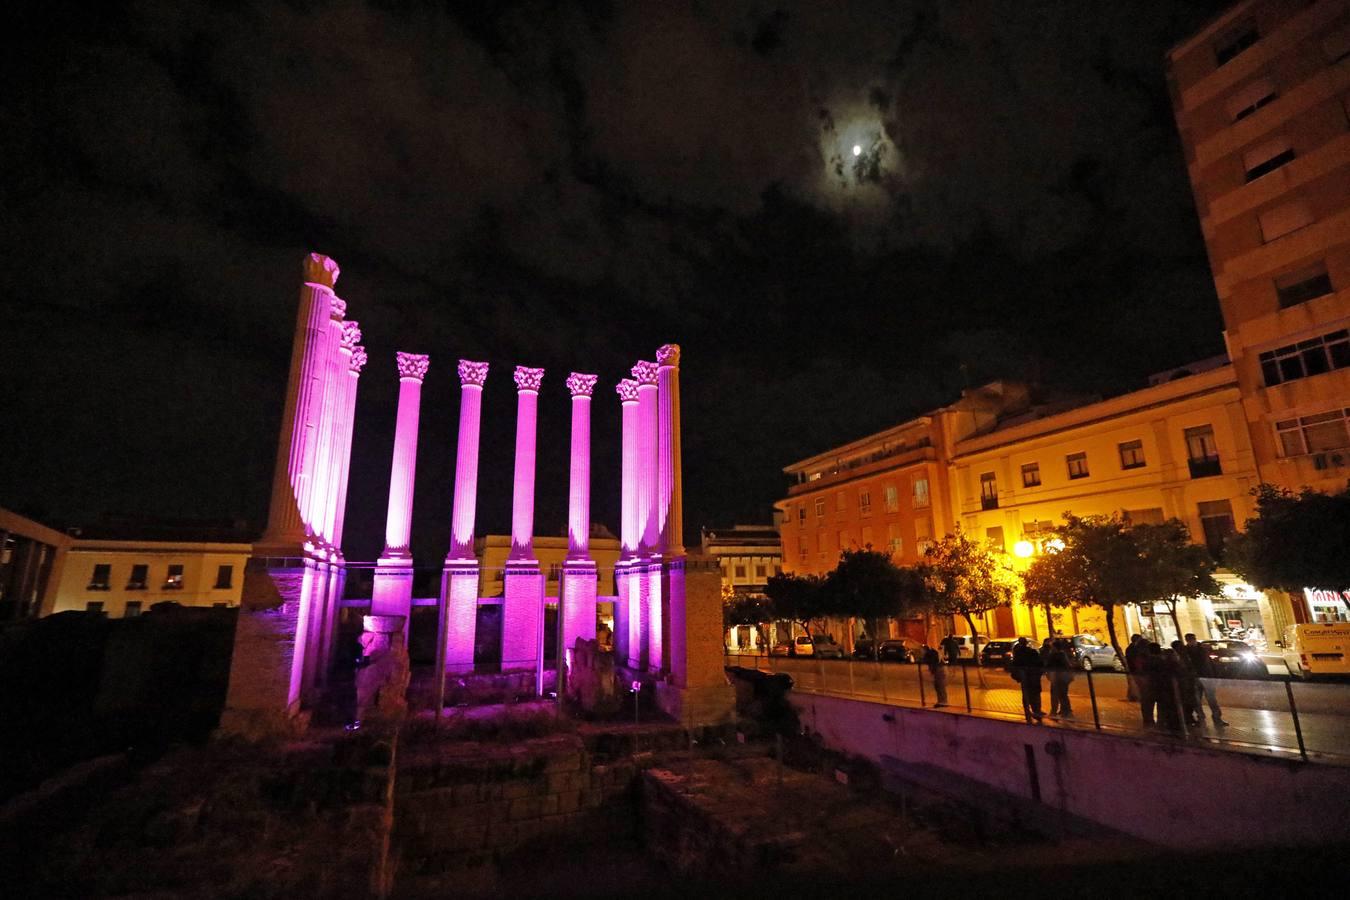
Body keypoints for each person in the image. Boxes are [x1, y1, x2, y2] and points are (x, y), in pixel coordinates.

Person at [1183, 633, 1228, 726]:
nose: (1191, 641)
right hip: (1196, 678)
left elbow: (1209, 664)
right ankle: (1203, 718)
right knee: (1198, 700)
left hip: (1205, 677)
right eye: (1190, 640)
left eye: (1192, 639)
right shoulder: (1186, 651)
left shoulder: (1202, 649)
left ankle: (1216, 718)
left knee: (1211, 699)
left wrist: (1214, 676)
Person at [1010, 637, 1044, 722]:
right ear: (1026, 642)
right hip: (1033, 676)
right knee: (1035, 695)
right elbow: (1040, 663)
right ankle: (1037, 712)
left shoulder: (1018, 653)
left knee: (1026, 695)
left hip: (1025, 677)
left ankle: (1028, 713)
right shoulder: (1032, 652)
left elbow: (1014, 665)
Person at [1171, 639, 1201, 726]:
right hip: (1184, 682)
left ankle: (1190, 718)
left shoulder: (1185, 655)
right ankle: (1188, 718)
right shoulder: (1178, 657)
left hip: (1188, 681)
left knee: (1190, 701)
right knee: (1188, 701)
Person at [1046, 638, 1074, 718]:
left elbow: (1048, 665)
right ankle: (1066, 710)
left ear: (1055, 647)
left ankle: (1055, 711)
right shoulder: (1063, 654)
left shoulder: (1054, 655)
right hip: (1063, 677)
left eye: (1052, 647)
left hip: (1056, 677)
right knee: (1063, 694)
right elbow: (1068, 665)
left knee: (1055, 694)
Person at [922, 643, 948, 708]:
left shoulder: (930, 654)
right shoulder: (932, 653)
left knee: (940, 686)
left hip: (939, 670)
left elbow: (930, 661)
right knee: (938, 686)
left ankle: (943, 702)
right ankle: (942, 701)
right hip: (939, 670)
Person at [1125, 633, 1146, 703]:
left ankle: (1133, 696)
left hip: (1134, 669)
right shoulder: (1134, 648)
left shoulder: (1131, 648)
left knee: (1135, 683)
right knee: (1138, 683)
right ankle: (1136, 696)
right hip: (1136, 669)